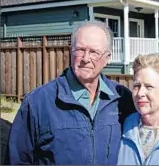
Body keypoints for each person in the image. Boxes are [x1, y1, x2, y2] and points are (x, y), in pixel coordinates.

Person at [5, 20, 136, 165]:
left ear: (107, 58)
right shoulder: (38, 102)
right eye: (80, 50)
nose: (86, 58)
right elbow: (17, 160)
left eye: (94, 52)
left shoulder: (122, 99)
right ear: (71, 51)